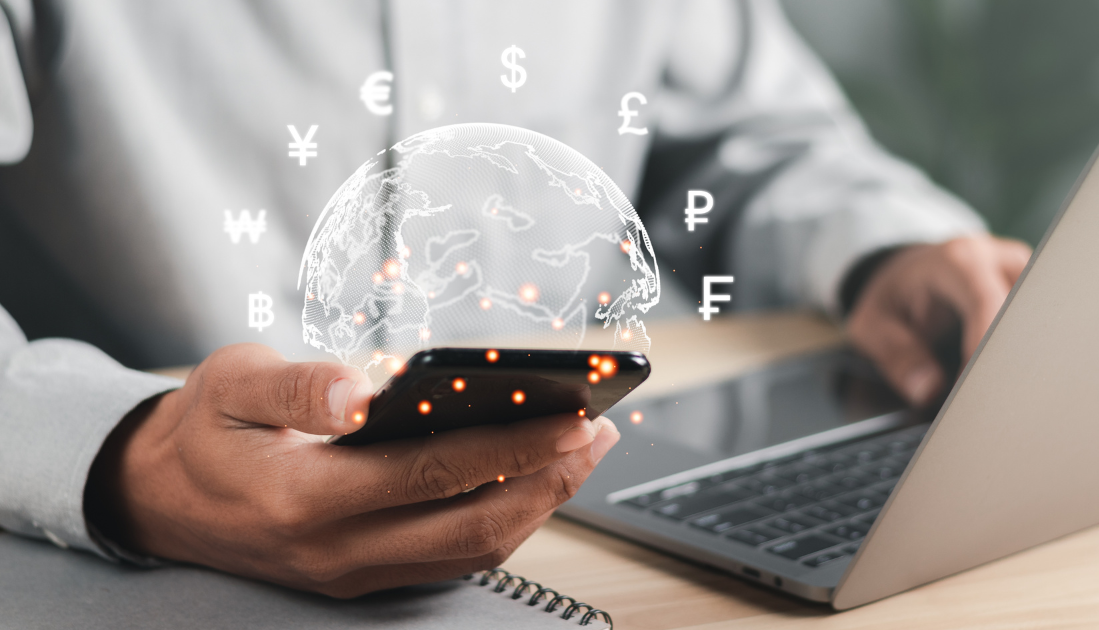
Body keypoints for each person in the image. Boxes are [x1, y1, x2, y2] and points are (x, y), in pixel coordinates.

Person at [0, 0, 1030, 597]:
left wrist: (888, 249)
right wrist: (136, 457)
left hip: (616, 510)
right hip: (168, 565)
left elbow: (750, 136)